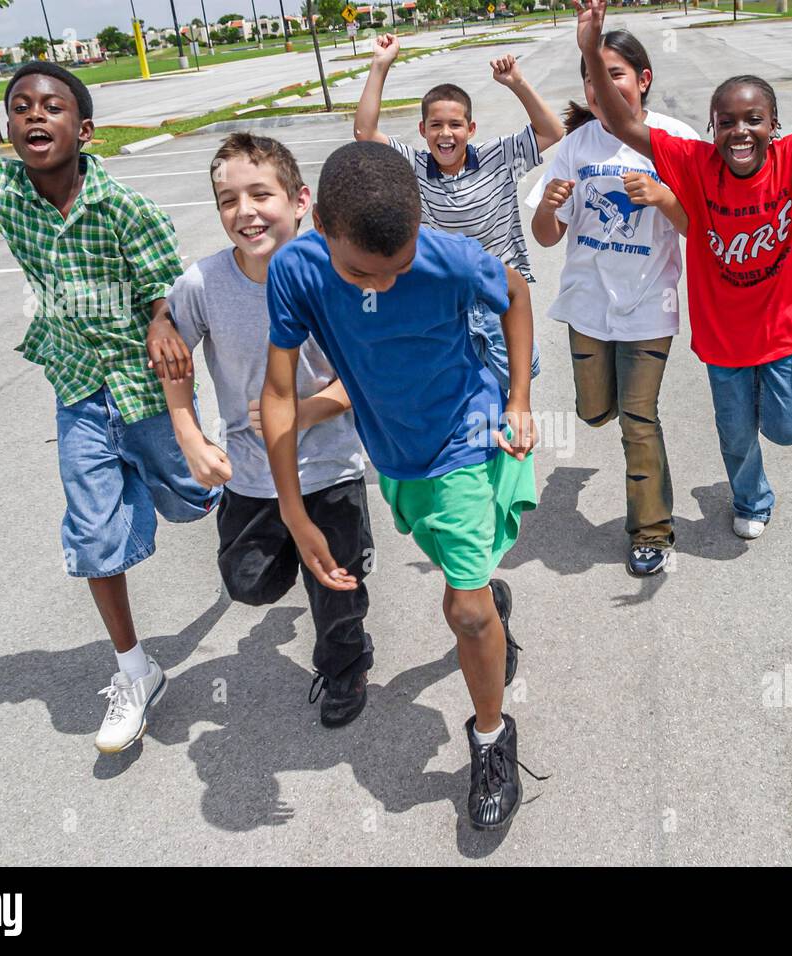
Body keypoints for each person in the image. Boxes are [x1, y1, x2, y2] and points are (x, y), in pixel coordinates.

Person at [0, 62, 219, 753]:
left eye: (52, 107)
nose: (35, 116)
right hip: (79, 390)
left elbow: (164, 289)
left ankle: (264, 519)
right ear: (9, 129)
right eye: (21, 106)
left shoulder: (126, 207)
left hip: (145, 391)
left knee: (197, 500)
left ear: (83, 129)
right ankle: (135, 671)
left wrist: (160, 321)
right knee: (92, 537)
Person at [261, 142, 543, 831]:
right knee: (468, 588)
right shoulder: (296, 271)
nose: (383, 284)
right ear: (319, 223)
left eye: (400, 266)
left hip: (465, 437)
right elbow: (276, 393)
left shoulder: (447, 257)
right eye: (363, 271)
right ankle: (487, 604)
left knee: (466, 612)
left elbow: (515, 293)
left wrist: (519, 399)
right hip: (394, 453)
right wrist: (295, 517)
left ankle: (489, 739)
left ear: (421, 223)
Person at [573, 0, 792, 537]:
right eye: (727, 122)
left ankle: (769, 418)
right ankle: (751, 499)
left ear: (774, 125)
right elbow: (620, 120)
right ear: (711, 128)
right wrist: (592, 47)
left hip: (786, 329)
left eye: (753, 119)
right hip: (724, 336)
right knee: (735, 434)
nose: (740, 132)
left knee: (787, 430)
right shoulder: (692, 162)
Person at [164, 133, 374, 728]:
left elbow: (368, 375)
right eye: (228, 200)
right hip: (251, 476)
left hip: (330, 467)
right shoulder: (202, 284)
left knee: (336, 589)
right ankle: (299, 568)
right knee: (249, 583)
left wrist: (308, 409)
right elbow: (170, 353)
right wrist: (189, 434)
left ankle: (345, 666)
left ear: (302, 200)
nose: (245, 211)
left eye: (261, 194)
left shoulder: (342, 278)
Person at [527, 28, 696, 575]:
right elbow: (546, 236)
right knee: (596, 412)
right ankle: (592, 423)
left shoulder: (673, 139)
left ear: (643, 80)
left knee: (639, 420)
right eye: (592, 79)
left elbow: (698, 225)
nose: (601, 87)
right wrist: (549, 207)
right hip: (586, 307)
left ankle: (652, 531)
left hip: (650, 307)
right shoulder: (576, 147)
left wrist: (665, 196)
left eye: (614, 73)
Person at [353, 33, 560, 392]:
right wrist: (379, 65)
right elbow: (364, 132)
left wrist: (517, 83)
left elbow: (551, 130)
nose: (445, 134)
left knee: (510, 386)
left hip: (499, 298)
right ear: (422, 130)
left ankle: (508, 442)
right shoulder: (414, 166)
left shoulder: (498, 157)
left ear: (471, 129)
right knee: (457, 392)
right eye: (435, 125)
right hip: (445, 302)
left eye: (455, 125)